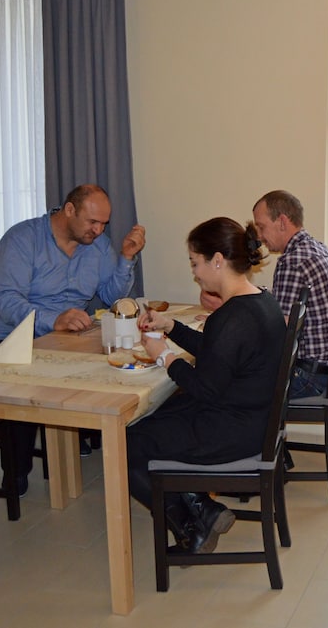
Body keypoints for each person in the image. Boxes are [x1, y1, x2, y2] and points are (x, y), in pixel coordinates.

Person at [127, 217, 285, 554]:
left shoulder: (233, 317)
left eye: (195, 263)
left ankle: (190, 529)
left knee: (129, 443)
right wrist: (170, 326)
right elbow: (218, 352)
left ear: (217, 260)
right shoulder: (261, 301)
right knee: (157, 418)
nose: (195, 273)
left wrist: (163, 356)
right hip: (253, 421)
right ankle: (203, 507)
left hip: (233, 431)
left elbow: (205, 389)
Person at [0, 184, 146, 496]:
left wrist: (126, 257)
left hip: (64, 338)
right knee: (24, 382)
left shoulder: (97, 246)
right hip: (11, 338)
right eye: (92, 222)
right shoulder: (22, 239)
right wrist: (52, 319)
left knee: (120, 364)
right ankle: (16, 472)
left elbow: (110, 295)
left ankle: (76, 442)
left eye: (104, 224)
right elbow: (4, 298)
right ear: (69, 210)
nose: (99, 231)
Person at [202, 190, 328, 398]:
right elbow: (280, 306)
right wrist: (238, 300)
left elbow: (277, 329)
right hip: (323, 370)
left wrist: (230, 316)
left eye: (261, 227)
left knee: (218, 384)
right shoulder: (320, 251)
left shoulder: (292, 262)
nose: (259, 236)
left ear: (282, 222)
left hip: (304, 376)